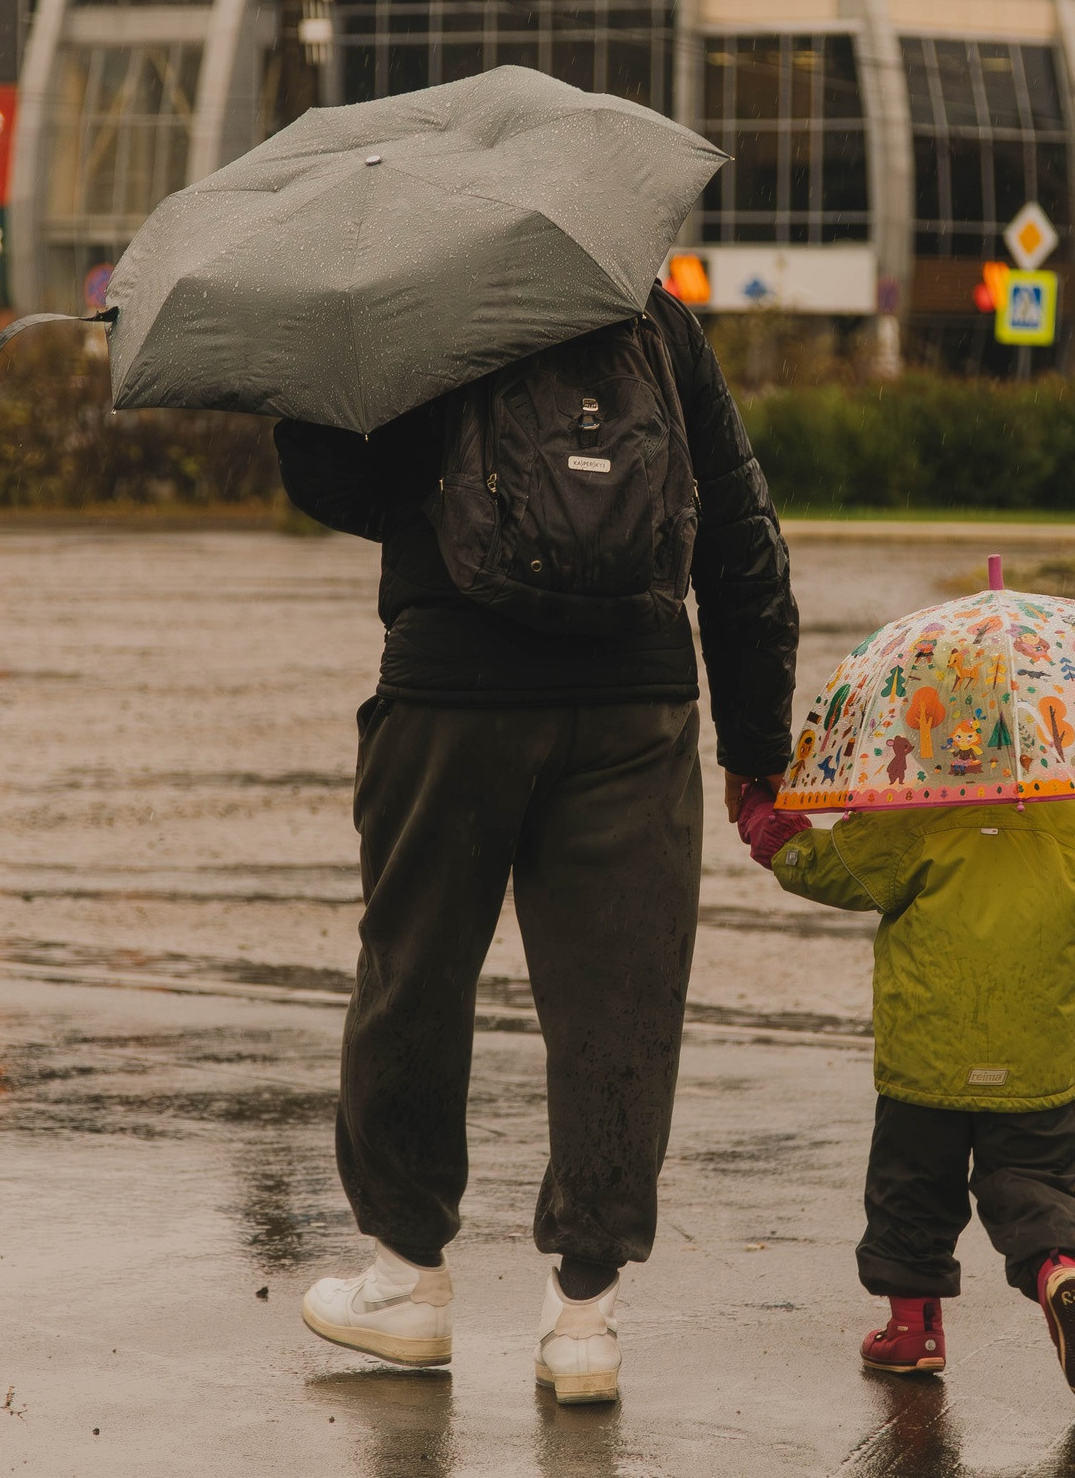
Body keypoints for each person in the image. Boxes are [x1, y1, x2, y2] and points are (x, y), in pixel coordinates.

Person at [274, 283, 797, 1404]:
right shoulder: (654, 322)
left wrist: (311, 391)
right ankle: (584, 1319)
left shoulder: (423, 311)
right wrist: (754, 740)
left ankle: (407, 1280)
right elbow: (741, 530)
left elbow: (339, 487)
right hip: (634, 706)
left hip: (450, 696)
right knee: (621, 1005)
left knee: (413, 977)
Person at [736, 785, 1075, 1402]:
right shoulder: (1063, 818)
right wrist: (1073, 931)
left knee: (912, 1188)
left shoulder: (913, 814)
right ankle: (1057, 1268)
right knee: (1038, 1179)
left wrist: (773, 832)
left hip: (925, 1057)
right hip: (1032, 1056)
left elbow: (832, 869)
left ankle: (914, 1334)